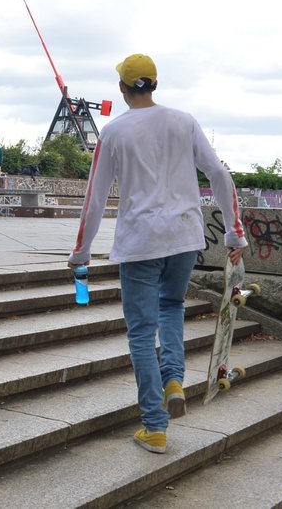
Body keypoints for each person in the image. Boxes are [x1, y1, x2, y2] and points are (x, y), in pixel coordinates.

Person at [68, 53, 247, 455]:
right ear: (155, 84)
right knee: (171, 309)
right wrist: (235, 236)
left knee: (140, 333)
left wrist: (81, 252)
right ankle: (174, 380)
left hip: (140, 242)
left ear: (122, 88)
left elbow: (94, 198)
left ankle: (155, 426)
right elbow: (219, 173)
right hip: (185, 237)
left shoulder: (113, 133)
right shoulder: (184, 121)